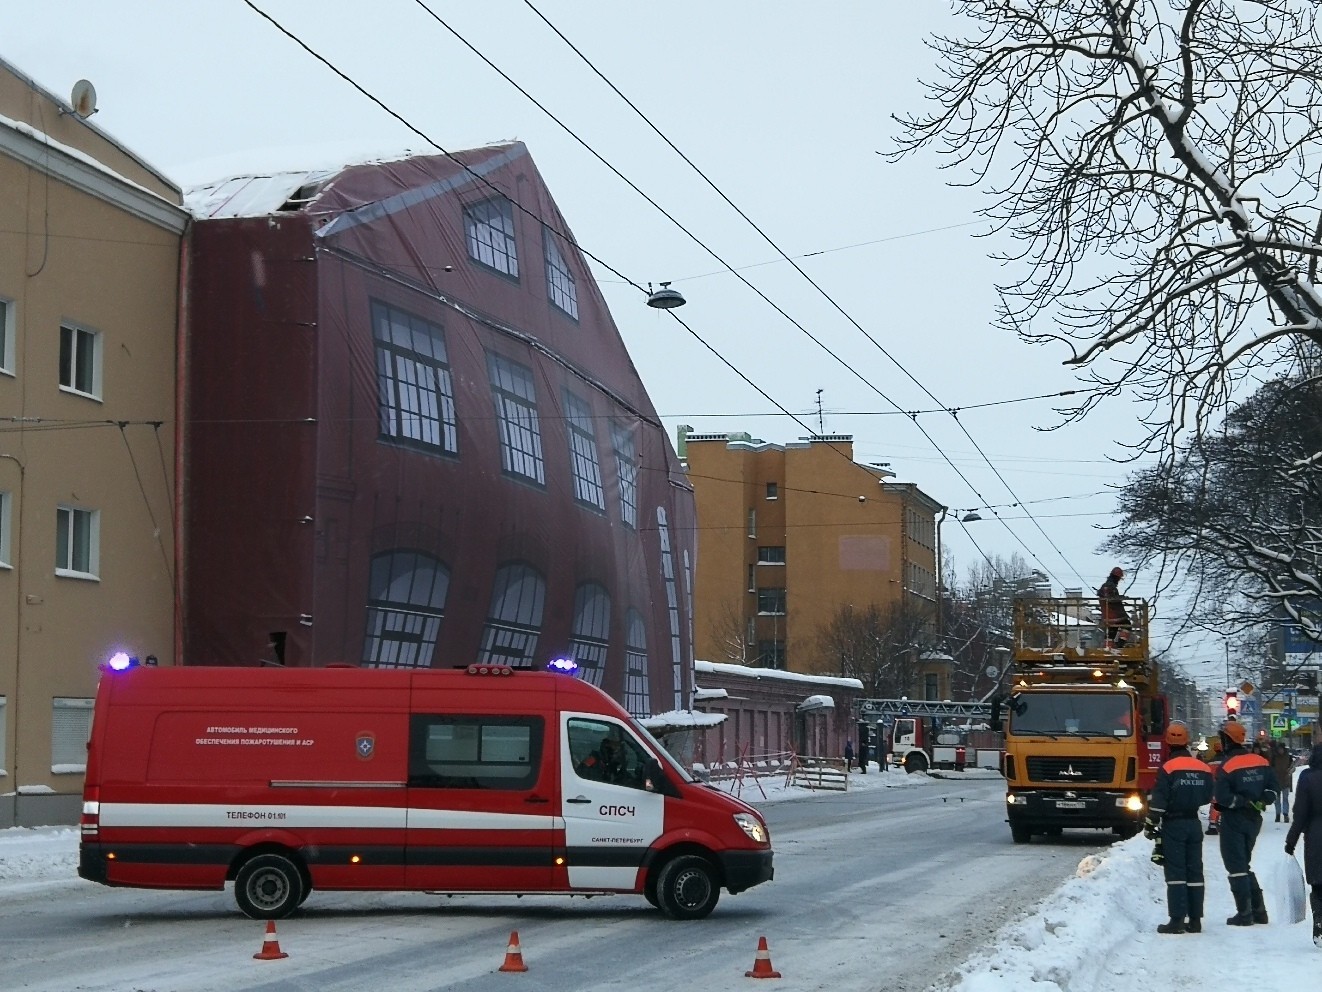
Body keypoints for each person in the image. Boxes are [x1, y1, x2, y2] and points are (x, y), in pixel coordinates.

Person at [1145, 722, 1215, 933]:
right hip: (1194, 823)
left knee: (1176, 872)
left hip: (1174, 824)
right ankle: (1195, 920)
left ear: (1168, 742)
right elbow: (1208, 795)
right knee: (1194, 871)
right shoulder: (1202, 768)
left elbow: (1159, 801)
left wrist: (1150, 825)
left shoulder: (1167, 768)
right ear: (1186, 741)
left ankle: (1176, 920)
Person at [1213, 719, 1278, 925]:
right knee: (1244, 864)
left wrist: (1242, 802)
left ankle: (1245, 913)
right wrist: (1260, 801)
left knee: (1235, 865)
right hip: (1254, 821)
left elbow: (1222, 797)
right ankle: (1259, 911)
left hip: (1234, 819)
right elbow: (1273, 789)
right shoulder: (1260, 761)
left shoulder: (1227, 766)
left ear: (1227, 740)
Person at [1284, 744, 1322, 946]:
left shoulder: (1307, 778)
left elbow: (1300, 814)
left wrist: (1291, 840)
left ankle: (1319, 922)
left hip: (1316, 838)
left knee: (1318, 885)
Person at [1097, 566, 1131, 649]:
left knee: (1112, 631)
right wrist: (1120, 598)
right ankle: (1120, 644)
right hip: (1114, 614)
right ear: (1117, 577)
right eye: (1119, 578)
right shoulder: (1109, 586)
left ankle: (1108, 647)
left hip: (1108, 614)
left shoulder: (1108, 585)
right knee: (1127, 625)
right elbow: (1110, 598)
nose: (1119, 580)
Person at [1270, 739, 1294, 823]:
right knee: (1277, 800)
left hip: (1285, 780)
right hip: (1276, 781)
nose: (1280, 751)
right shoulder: (1274, 757)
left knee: (1285, 799)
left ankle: (1285, 814)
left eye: (1281, 749)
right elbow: (1271, 769)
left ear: (1284, 749)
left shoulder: (1289, 757)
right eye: (1279, 749)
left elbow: (1292, 767)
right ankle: (1277, 814)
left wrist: (1290, 771)